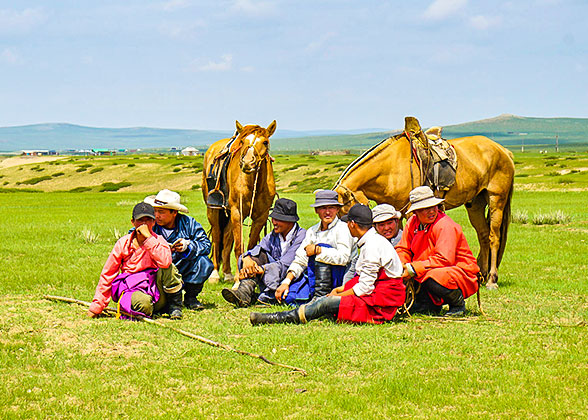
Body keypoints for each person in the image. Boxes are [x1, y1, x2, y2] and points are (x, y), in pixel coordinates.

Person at [250, 204, 405, 325]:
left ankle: (276, 318)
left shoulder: (372, 246)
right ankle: (311, 306)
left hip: (381, 302)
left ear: (352, 224)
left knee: (327, 302)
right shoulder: (370, 241)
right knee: (328, 301)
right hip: (376, 294)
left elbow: (365, 287)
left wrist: (338, 295)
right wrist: (341, 289)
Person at [87, 202, 184, 319]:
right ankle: (144, 308)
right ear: (133, 222)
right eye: (140, 220)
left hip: (156, 290)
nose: (144, 224)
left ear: (153, 222)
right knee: (144, 304)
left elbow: (165, 262)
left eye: (148, 220)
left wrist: (148, 239)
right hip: (134, 290)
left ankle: (175, 307)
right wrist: (97, 306)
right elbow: (108, 274)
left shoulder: (159, 241)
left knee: (169, 268)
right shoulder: (123, 244)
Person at [395, 186, 480, 316]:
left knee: (433, 276)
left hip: (459, 272)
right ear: (415, 212)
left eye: (433, 207)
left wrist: (412, 268)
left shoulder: (445, 225)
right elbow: (403, 248)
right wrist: (402, 265)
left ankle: (457, 304)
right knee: (423, 276)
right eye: (425, 209)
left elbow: (444, 259)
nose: (431, 211)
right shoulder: (412, 222)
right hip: (428, 268)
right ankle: (428, 305)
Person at [274, 190, 356, 306]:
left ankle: (320, 299)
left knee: (322, 247)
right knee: (289, 297)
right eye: (323, 208)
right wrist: (286, 282)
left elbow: (344, 258)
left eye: (331, 208)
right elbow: (301, 258)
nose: (327, 212)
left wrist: (318, 250)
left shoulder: (343, 229)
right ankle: (316, 298)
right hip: (316, 277)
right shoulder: (312, 231)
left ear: (338, 209)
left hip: (341, 277)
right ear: (316, 210)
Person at [221, 198, 306, 307]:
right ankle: (245, 292)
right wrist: (247, 259)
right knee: (257, 256)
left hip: (291, 277)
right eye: (273, 218)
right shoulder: (274, 235)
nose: (274, 222)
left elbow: (286, 264)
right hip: (272, 274)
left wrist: (262, 269)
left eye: (278, 219)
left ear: (290, 221)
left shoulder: (301, 236)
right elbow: (259, 248)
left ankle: (252, 296)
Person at [145, 189, 214, 312]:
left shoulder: (189, 223)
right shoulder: (149, 224)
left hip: (183, 265)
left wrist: (188, 246)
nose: (156, 215)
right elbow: (133, 239)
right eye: (154, 211)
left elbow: (206, 245)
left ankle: (191, 297)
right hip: (158, 270)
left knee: (204, 262)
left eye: (161, 212)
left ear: (174, 213)